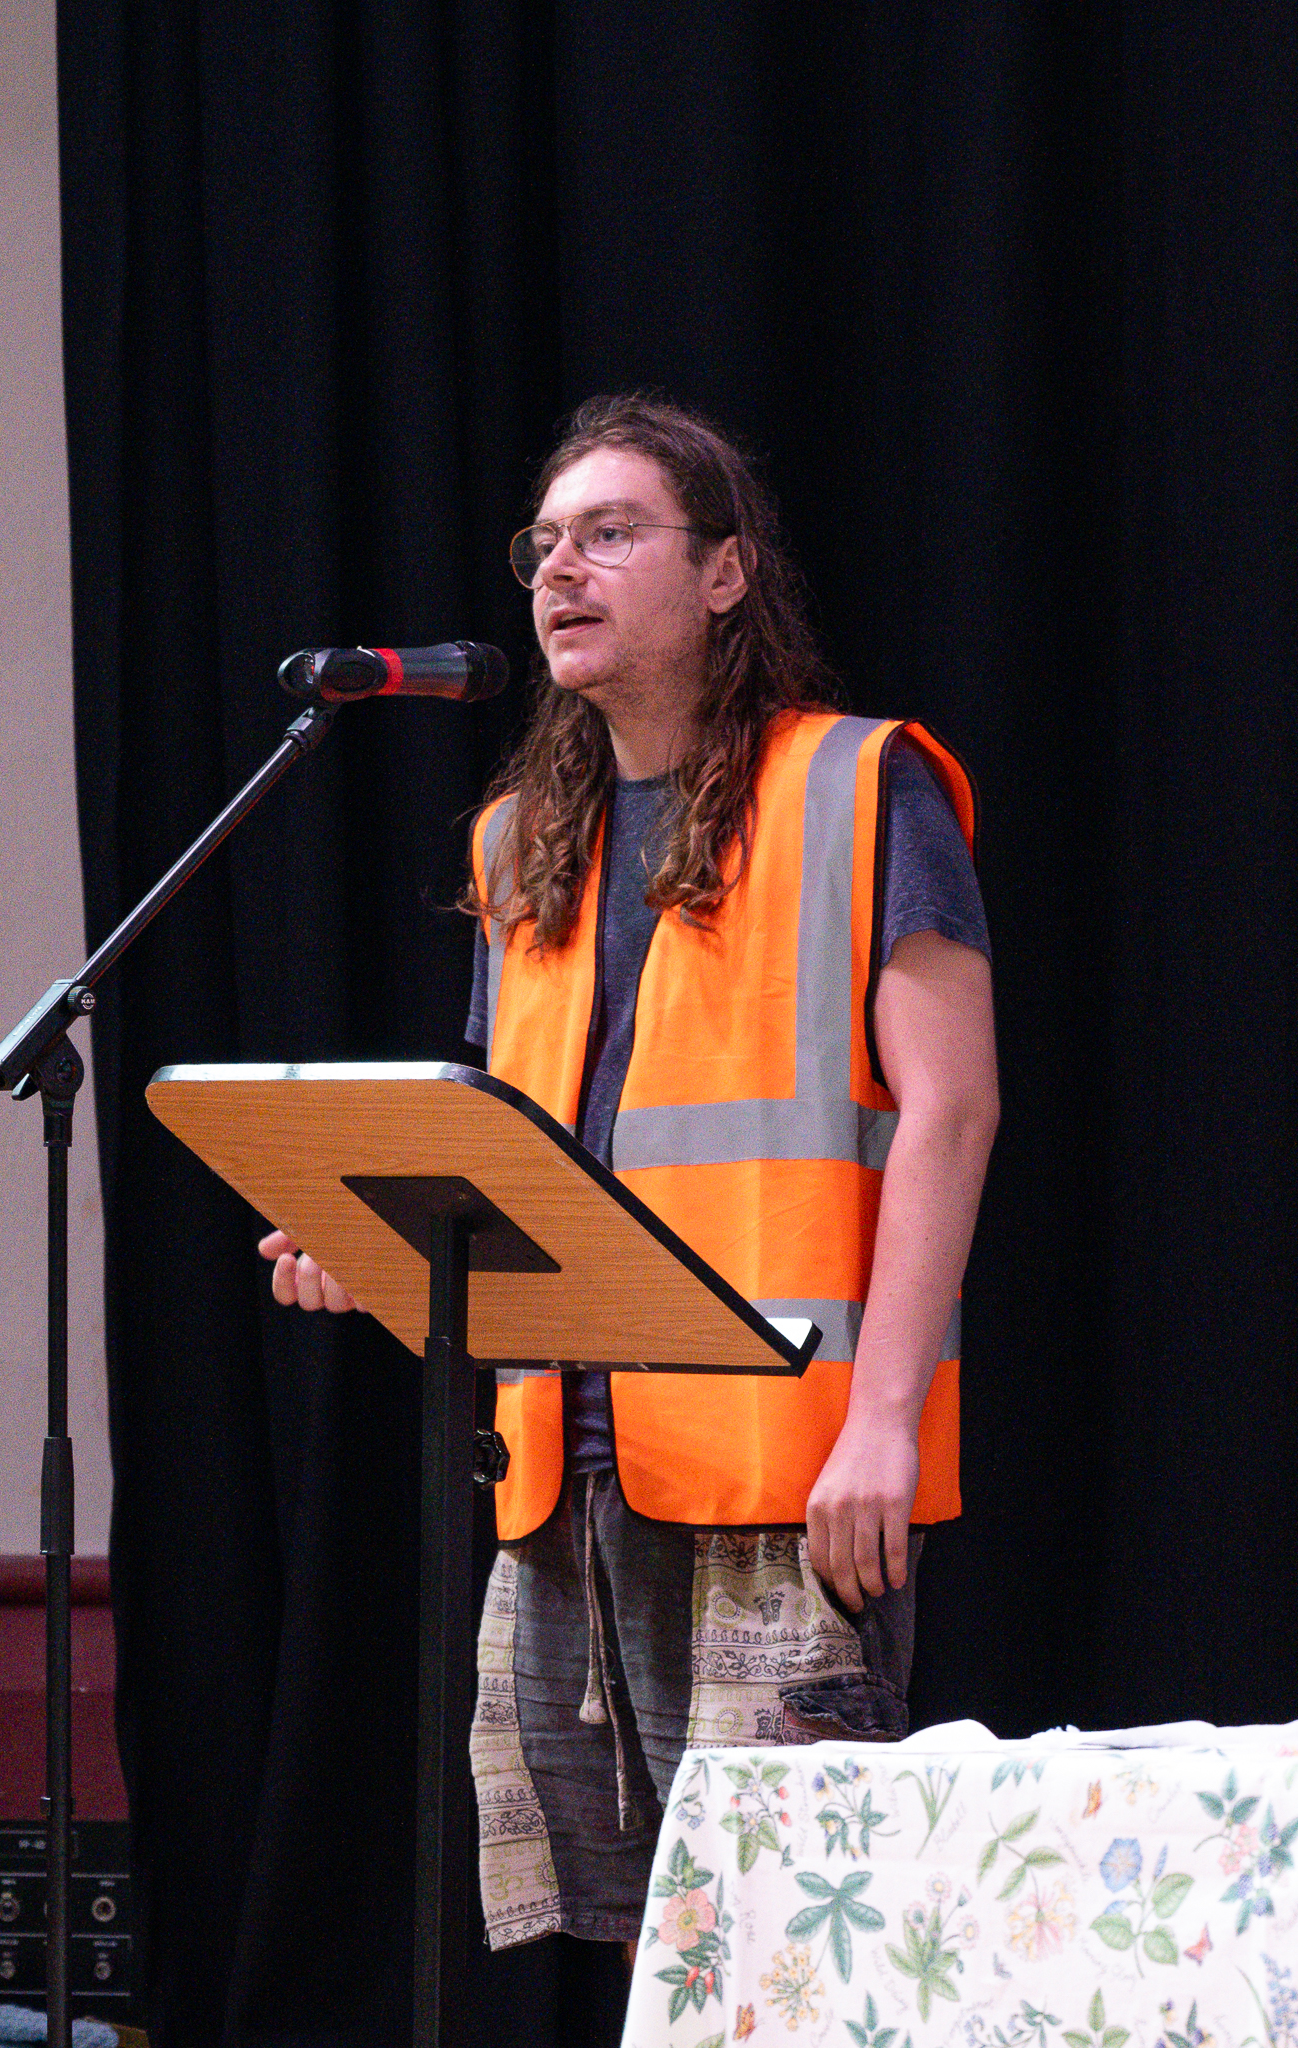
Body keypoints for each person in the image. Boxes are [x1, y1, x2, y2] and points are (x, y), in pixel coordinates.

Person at [259, 394, 998, 1961]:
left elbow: (949, 1112)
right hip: (562, 1480)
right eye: (544, 544)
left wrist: (881, 1421)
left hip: (787, 1467)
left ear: (725, 574)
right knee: (651, 1961)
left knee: (798, 1953)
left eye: (611, 534)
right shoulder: (520, 842)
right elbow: (505, 1166)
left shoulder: (860, 789)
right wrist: (375, 1251)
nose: (560, 571)